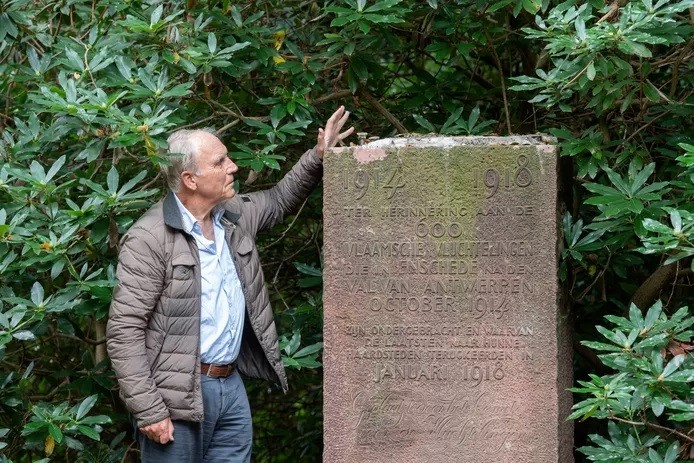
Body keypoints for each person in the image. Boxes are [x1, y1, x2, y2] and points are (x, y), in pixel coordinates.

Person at [106, 107, 353, 462]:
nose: (233, 167)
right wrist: (149, 409)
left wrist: (317, 157)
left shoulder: (232, 217)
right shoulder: (149, 239)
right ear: (190, 179)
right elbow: (124, 331)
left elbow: (280, 200)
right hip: (175, 397)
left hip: (230, 386)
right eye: (221, 162)